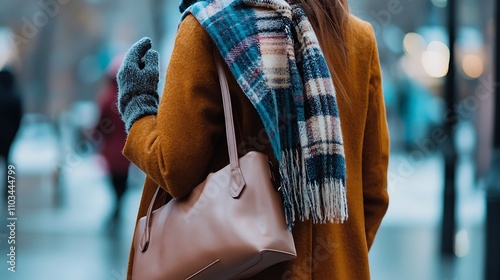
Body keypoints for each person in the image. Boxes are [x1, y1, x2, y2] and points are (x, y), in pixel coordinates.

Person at [117, 0, 389, 279]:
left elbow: (173, 167)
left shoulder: (210, 27)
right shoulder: (356, 38)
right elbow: (373, 194)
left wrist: (138, 107)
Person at [96, 56, 130, 223]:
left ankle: (116, 206)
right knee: (123, 179)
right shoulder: (128, 97)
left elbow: (100, 123)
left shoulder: (107, 98)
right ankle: (118, 205)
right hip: (127, 147)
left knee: (113, 179)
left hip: (110, 148)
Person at [0, 68, 23, 198]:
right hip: (9, 138)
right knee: (9, 166)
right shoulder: (15, 96)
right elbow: (18, 119)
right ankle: (9, 193)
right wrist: (12, 135)